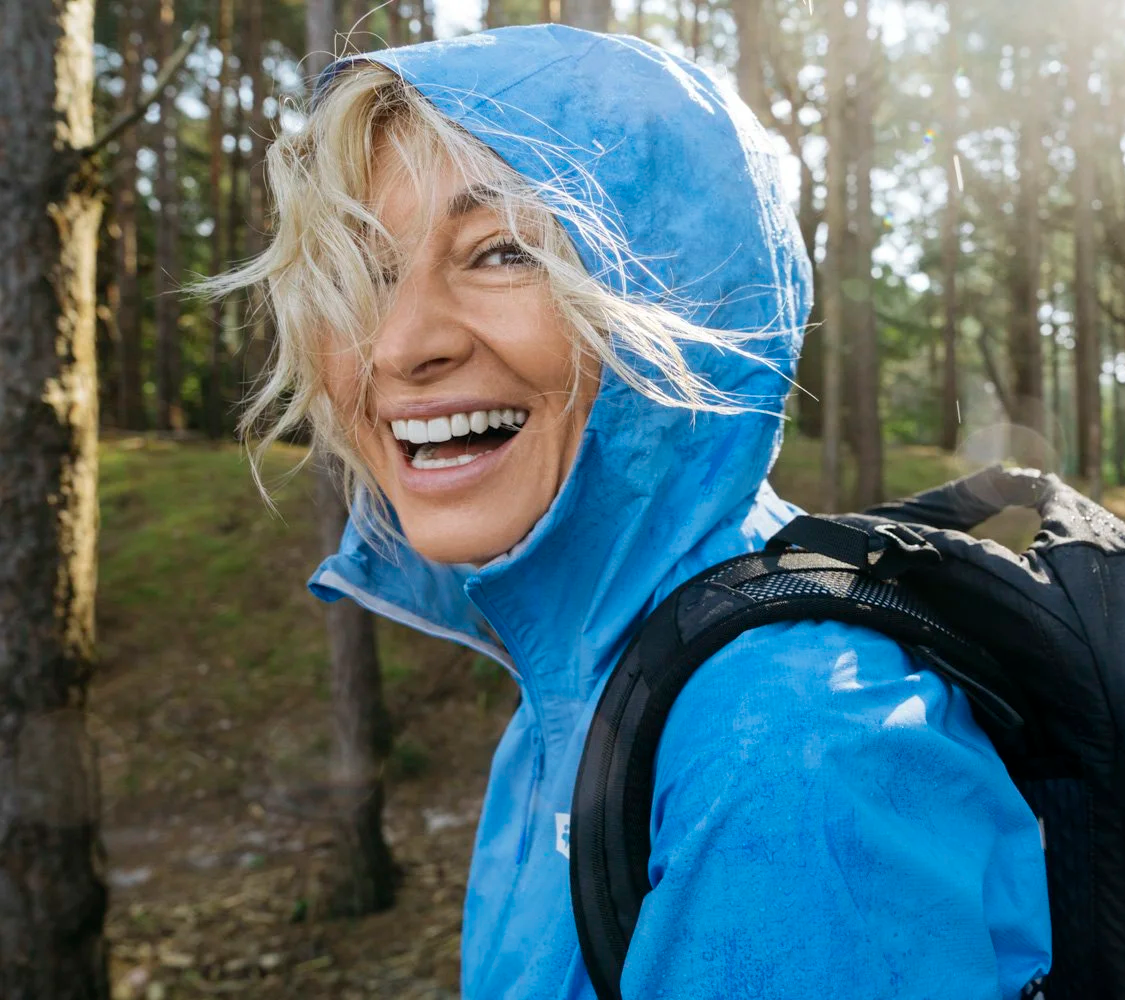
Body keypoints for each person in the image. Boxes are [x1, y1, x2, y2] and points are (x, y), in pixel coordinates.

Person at [210, 24, 1051, 1000]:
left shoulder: (791, 751)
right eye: (370, 271)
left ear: (688, 297)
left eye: (502, 251)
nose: (400, 343)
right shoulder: (573, 694)